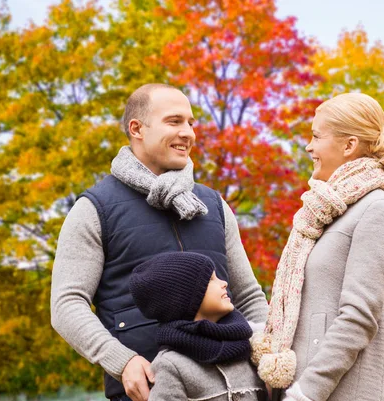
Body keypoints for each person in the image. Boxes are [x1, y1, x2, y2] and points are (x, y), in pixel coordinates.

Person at [50, 83, 268, 401]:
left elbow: (249, 297)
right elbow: (67, 304)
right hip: (148, 392)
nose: (188, 133)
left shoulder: (215, 204)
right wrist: (121, 362)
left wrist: (267, 357)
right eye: (174, 121)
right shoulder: (95, 209)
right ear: (137, 128)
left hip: (235, 390)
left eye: (191, 123)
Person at [251, 93, 384, 401]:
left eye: (316, 136)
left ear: (348, 145)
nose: (308, 146)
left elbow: (358, 317)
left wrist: (306, 393)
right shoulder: (324, 214)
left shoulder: (378, 211)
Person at [128, 251, 268, 400]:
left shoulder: (247, 347)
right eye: (211, 280)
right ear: (184, 299)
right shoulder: (171, 366)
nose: (224, 283)